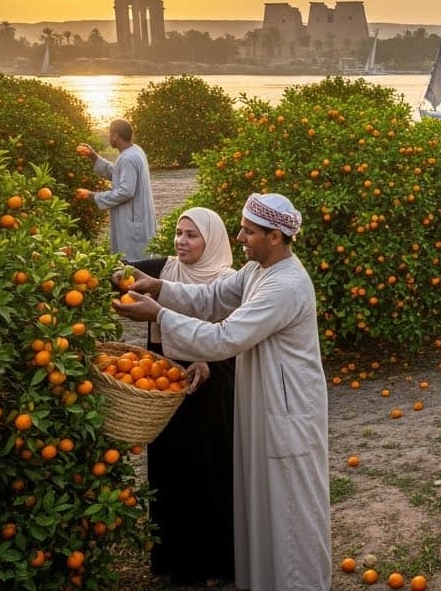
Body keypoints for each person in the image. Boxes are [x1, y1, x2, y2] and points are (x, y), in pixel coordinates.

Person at [114, 193, 331, 591]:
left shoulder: (285, 285)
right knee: (263, 498)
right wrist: (160, 287)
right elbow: (212, 298)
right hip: (265, 401)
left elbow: (225, 337)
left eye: (249, 232)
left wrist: (159, 315)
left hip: (287, 406)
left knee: (289, 503)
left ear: (275, 237)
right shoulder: (256, 271)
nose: (240, 237)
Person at [125, 207, 237, 587]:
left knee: (207, 469)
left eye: (191, 235)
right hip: (164, 385)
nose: (181, 241)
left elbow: (233, 333)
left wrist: (205, 359)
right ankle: (174, 560)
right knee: (169, 469)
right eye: (178, 232)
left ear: (212, 240)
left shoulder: (227, 281)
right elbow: (118, 273)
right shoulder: (164, 270)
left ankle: (213, 561)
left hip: (209, 386)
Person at [77, 119, 156, 260]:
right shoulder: (135, 151)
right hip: (137, 217)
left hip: (132, 221)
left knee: (132, 263)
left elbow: (126, 191)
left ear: (115, 136)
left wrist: (93, 196)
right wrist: (93, 157)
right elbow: (119, 174)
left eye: (110, 134)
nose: (109, 138)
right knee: (139, 259)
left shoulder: (127, 158)